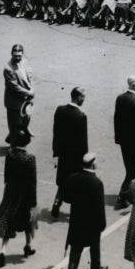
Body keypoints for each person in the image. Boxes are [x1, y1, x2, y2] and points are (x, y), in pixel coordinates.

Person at [0, 129, 38, 268]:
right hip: (24, 195)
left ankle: (2, 250)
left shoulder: (9, 154)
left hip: (10, 193)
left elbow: (6, 175)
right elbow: (32, 182)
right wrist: (33, 202)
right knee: (28, 221)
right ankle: (28, 245)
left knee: (9, 222)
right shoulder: (30, 158)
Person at [63, 152, 109, 269]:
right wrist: (102, 224)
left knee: (75, 251)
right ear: (93, 164)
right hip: (92, 222)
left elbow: (67, 198)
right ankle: (95, 267)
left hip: (77, 221)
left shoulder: (73, 178)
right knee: (95, 244)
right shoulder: (97, 183)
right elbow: (100, 207)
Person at [51, 87, 89, 218]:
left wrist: (56, 152)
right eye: (83, 97)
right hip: (76, 157)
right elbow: (83, 143)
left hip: (63, 155)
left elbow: (56, 133)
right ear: (78, 97)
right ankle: (75, 211)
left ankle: (56, 205)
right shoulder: (81, 116)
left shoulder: (60, 110)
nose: (84, 100)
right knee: (77, 184)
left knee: (62, 182)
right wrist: (85, 160)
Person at [114, 74, 135, 208]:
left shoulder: (120, 98)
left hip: (125, 141)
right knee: (132, 171)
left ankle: (127, 194)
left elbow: (117, 119)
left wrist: (118, 138)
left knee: (130, 169)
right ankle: (123, 195)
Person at [3, 44, 34, 143]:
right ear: (11, 54)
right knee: (14, 124)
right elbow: (14, 87)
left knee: (26, 117)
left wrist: (32, 88)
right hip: (14, 102)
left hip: (25, 99)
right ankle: (13, 144)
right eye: (15, 55)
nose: (17, 58)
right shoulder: (8, 68)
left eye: (19, 56)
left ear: (22, 54)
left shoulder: (24, 62)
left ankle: (21, 132)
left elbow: (30, 76)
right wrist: (28, 92)